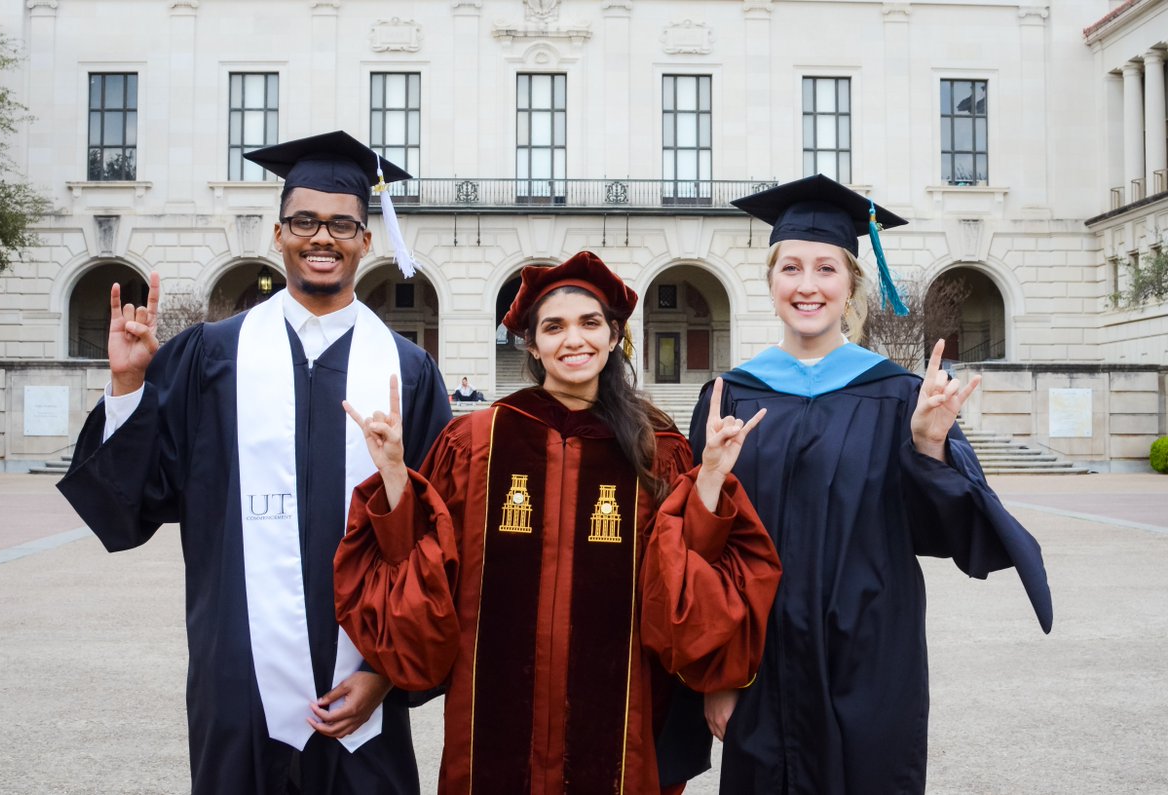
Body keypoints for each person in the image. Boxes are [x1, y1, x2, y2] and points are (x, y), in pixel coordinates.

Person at [56, 131, 452, 794]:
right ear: (278, 233)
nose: (321, 237)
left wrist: (385, 673)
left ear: (366, 240)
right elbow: (132, 505)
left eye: (341, 224)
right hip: (238, 684)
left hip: (367, 683)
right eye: (304, 221)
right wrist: (129, 386)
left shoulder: (408, 374)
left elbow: (440, 545)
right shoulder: (210, 357)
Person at [332, 251, 782, 794]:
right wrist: (396, 476)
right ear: (532, 343)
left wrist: (708, 476)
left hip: (625, 721)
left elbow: (689, 572)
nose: (575, 340)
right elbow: (426, 565)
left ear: (615, 336)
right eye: (555, 327)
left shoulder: (656, 447)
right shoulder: (476, 441)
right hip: (491, 716)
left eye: (591, 324)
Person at [690, 174, 1054, 794]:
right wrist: (719, 672)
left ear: (851, 283)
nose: (808, 286)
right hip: (762, 658)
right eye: (792, 268)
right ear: (772, 280)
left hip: (873, 652)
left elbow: (949, 532)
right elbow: (702, 549)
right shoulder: (730, 396)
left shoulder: (897, 395)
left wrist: (929, 445)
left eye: (826, 269)